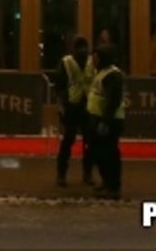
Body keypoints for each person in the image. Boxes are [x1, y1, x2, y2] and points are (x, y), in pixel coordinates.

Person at [54, 35, 96, 187]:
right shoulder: (68, 62)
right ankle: (64, 174)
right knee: (71, 141)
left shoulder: (87, 61)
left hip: (84, 105)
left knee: (86, 142)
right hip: (75, 105)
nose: (83, 51)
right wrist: (61, 107)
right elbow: (60, 85)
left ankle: (84, 174)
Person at [86, 42, 126, 199]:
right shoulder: (102, 72)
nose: (93, 59)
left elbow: (113, 101)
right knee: (98, 153)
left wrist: (105, 122)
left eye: (95, 56)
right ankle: (106, 182)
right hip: (98, 118)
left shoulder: (112, 75)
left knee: (109, 154)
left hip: (109, 121)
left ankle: (113, 186)